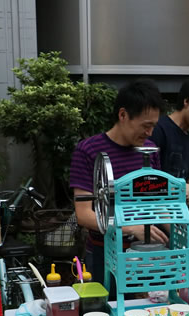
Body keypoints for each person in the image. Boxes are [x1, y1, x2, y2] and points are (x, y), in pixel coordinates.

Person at [70, 78, 167, 288]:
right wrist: (130, 228)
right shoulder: (88, 151)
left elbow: (157, 202)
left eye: (153, 126)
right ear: (123, 115)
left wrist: (180, 232)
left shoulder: (149, 150)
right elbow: (84, 214)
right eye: (145, 126)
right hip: (103, 254)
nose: (149, 133)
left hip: (146, 255)